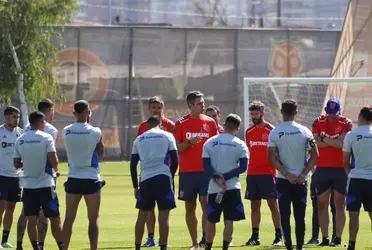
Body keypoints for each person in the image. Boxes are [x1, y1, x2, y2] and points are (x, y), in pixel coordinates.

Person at [268, 99, 319, 250]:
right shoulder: (305, 131)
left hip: (284, 180)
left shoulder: (275, 132)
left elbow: (271, 157)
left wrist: (286, 173)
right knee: (300, 216)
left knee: (284, 214)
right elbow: (315, 155)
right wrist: (303, 174)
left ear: (282, 111)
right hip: (300, 181)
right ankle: (299, 247)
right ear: (296, 112)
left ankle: (289, 245)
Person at [174, 90, 218, 249]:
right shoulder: (180, 123)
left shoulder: (210, 123)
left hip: (206, 172)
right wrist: (189, 143)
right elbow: (176, 148)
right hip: (187, 172)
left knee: (206, 203)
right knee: (190, 206)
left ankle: (206, 241)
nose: (203, 105)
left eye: (203, 103)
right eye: (199, 103)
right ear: (190, 105)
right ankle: (194, 243)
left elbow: (216, 146)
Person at [13, 111, 62, 250]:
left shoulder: (20, 139)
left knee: (31, 219)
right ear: (42, 122)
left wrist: (28, 164)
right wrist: (55, 169)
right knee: (54, 218)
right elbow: (54, 159)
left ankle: (36, 248)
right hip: (46, 184)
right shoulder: (46, 137)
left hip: (28, 186)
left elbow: (16, 164)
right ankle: (62, 246)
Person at [130, 115, 179, 250]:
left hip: (146, 180)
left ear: (147, 125)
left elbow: (133, 164)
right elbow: (175, 159)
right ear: (161, 124)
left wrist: (135, 185)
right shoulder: (167, 136)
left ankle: (137, 246)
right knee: (164, 216)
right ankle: (163, 246)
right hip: (163, 178)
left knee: (142, 215)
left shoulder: (139, 139)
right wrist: (171, 174)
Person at [61, 100, 104, 250]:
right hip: (91, 178)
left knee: (68, 219)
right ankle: (93, 248)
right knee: (93, 219)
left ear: (74, 113)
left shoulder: (66, 130)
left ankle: (64, 248)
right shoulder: (95, 131)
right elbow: (100, 152)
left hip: (73, 177)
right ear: (88, 113)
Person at [202, 114, 248, 250]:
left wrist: (217, 178)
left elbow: (205, 165)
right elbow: (243, 167)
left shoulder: (209, 142)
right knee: (229, 220)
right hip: (232, 187)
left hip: (214, 187)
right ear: (237, 128)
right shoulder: (240, 144)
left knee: (211, 220)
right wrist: (226, 177)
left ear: (224, 124)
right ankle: (225, 247)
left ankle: (208, 247)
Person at [312, 98, 352, 246]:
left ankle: (338, 238)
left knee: (339, 204)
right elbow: (315, 143)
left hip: (340, 168)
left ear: (339, 111)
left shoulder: (346, 123)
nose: (332, 116)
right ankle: (325, 238)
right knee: (322, 204)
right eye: (330, 113)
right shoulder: (318, 121)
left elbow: (342, 144)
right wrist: (332, 141)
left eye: (334, 113)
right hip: (322, 168)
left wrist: (324, 138)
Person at [244, 101, 282, 246]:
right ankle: (255, 236)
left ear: (262, 113)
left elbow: (277, 152)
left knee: (273, 204)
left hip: (268, 173)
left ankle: (279, 235)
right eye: (252, 114)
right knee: (254, 206)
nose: (254, 116)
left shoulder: (272, 131)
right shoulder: (249, 132)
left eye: (256, 113)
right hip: (253, 173)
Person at [342, 107, 372, 250]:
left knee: (353, 213)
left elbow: (345, 160)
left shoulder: (351, 135)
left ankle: (352, 244)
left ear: (360, 116)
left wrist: (350, 173)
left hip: (356, 179)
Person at [0, 106, 23, 248]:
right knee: (0, 208)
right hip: (1, 176)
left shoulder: (21, 134)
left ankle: (4, 241)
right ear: (6, 117)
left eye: (18, 117)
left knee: (11, 208)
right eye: (14, 116)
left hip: (16, 177)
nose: (17, 120)